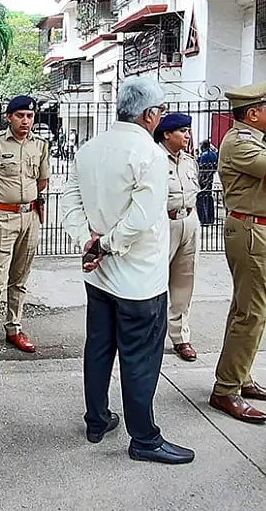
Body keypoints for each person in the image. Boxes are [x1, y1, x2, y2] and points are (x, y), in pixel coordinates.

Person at [62, 76, 195, 465]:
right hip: (138, 279)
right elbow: (142, 216)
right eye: (161, 112)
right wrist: (104, 244)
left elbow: (70, 199)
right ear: (150, 114)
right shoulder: (149, 154)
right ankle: (145, 439)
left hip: (98, 274)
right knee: (140, 359)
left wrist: (87, 240)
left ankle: (97, 419)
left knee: (99, 347)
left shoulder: (91, 148)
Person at [210, 80, 266, 424]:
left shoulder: (254, 141)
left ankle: (239, 376)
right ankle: (226, 389)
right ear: (253, 114)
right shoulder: (241, 142)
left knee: (245, 309)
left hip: (261, 231)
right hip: (252, 232)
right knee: (251, 313)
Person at [0, 95, 50, 364]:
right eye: (20, 116)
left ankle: (14, 328)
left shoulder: (40, 145)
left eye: (29, 116)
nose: (25, 121)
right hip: (3, 218)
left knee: (20, 278)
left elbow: (42, 181)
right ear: (9, 117)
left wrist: (25, 201)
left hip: (30, 217)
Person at [155, 112, 200, 362]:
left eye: (188, 131)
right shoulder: (154, 158)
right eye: (182, 131)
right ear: (166, 134)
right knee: (156, 280)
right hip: (164, 222)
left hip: (189, 220)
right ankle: (153, 334)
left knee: (184, 281)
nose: (187, 135)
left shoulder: (188, 160)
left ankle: (181, 337)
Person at [196, 140, 218, 225]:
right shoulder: (214, 154)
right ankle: (210, 219)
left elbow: (201, 168)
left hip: (204, 178)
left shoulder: (204, 155)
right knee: (209, 197)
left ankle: (204, 219)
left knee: (202, 198)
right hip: (210, 178)